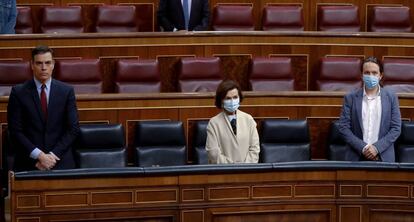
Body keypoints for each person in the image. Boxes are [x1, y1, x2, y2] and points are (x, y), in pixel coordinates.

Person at [7, 45, 80, 171]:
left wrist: (51, 156)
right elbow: (15, 131)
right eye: (39, 63)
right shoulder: (18, 92)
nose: (44, 67)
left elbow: (73, 129)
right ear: (32, 65)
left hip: (60, 160)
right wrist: (40, 156)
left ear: (53, 64)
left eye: (47, 63)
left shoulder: (66, 91)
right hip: (29, 162)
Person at [337, 56, 401, 162]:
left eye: (374, 73)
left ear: (381, 75)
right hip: (356, 157)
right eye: (367, 72)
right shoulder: (350, 97)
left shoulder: (391, 97)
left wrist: (376, 148)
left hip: (383, 157)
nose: (370, 76)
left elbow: (396, 128)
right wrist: (364, 148)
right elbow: (344, 128)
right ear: (362, 75)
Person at [206, 80, 260, 164]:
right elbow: (213, 154)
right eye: (228, 98)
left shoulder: (248, 119)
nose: (232, 101)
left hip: (247, 171)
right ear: (221, 100)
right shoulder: (214, 123)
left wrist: (245, 167)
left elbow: (254, 149)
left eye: (235, 97)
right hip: (224, 172)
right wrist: (233, 167)